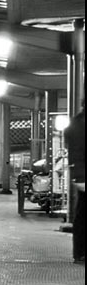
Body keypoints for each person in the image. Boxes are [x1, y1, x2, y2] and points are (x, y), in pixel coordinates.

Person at [65, 100, 84, 263]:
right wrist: (79, 177)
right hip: (84, 179)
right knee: (83, 215)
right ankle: (81, 252)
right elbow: (76, 153)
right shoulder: (78, 124)